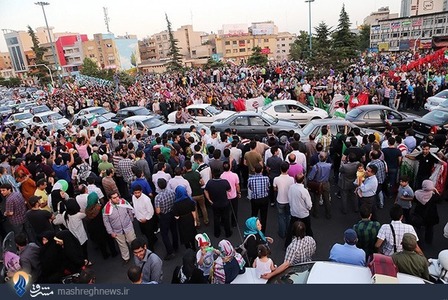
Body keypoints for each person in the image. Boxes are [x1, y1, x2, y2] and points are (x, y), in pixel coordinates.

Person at [102, 192, 136, 264]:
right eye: (114, 198)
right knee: (122, 245)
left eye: (117, 196)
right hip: (117, 231)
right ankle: (126, 258)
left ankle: (136, 253)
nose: (117, 198)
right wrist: (111, 232)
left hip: (128, 227)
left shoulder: (124, 202)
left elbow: (130, 212)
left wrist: (131, 221)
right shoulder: (106, 208)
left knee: (132, 241)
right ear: (110, 199)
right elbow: (106, 222)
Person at [84, 192, 118, 260]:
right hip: (103, 226)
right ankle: (114, 252)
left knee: (101, 243)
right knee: (110, 240)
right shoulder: (100, 207)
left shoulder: (87, 210)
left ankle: (105, 255)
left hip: (95, 229)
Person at [204, 168, 232, 238]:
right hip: (224, 203)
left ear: (213, 175)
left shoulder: (210, 182)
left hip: (215, 204)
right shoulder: (224, 182)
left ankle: (217, 233)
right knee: (226, 218)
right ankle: (228, 233)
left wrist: (209, 199)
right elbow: (229, 189)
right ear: (220, 175)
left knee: (216, 218)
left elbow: (205, 190)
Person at [412, 180, 440, 244]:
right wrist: (436, 191)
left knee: (418, 228)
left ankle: (418, 241)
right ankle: (428, 241)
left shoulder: (417, 193)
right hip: (431, 215)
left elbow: (414, 201)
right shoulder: (434, 196)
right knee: (430, 228)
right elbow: (439, 200)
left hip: (419, 213)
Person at [132, 184, 157, 251]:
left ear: (141, 191)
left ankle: (151, 249)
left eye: (138, 192)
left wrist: (146, 219)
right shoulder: (133, 197)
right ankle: (155, 238)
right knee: (145, 233)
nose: (137, 194)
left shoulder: (146, 199)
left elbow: (151, 211)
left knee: (149, 234)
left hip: (147, 220)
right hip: (139, 219)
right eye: (135, 193)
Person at [307, 151, 332, 219]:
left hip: (317, 184)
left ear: (319, 157)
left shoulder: (316, 166)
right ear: (326, 158)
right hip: (326, 183)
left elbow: (310, 177)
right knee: (326, 199)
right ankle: (328, 213)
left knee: (316, 199)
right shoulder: (329, 166)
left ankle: (316, 213)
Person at [273, 162, 294, 238]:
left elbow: (275, 189)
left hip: (280, 200)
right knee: (288, 216)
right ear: (288, 169)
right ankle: (289, 232)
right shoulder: (291, 179)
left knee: (281, 217)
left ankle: (282, 233)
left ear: (280, 169)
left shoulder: (276, 179)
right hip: (289, 200)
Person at [173, 186, 197, 250]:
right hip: (190, 218)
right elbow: (193, 211)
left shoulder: (176, 204)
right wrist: (195, 220)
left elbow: (177, 217)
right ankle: (194, 247)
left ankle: (188, 248)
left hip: (182, 221)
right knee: (192, 233)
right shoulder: (190, 200)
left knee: (185, 236)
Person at [247, 164, 270, 233]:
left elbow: (250, 187)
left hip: (255, 199)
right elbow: (268, 186)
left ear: (254, 170)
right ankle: (262, 231)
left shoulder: (250, 179)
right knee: (264, 216)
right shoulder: (266, 178)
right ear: (262, 170)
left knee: (254, 215)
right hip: (264, 199)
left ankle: (253, 229)